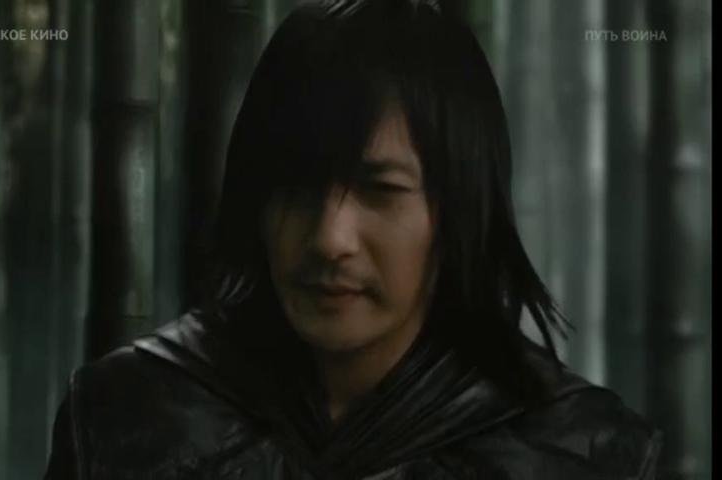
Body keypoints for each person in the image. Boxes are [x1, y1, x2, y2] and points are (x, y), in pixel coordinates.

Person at [45, 1, 663, 478]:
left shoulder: (581, 454)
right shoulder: (128, 418)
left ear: (457, 212)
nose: (328, 238)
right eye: (296, 186)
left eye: (380, 190)